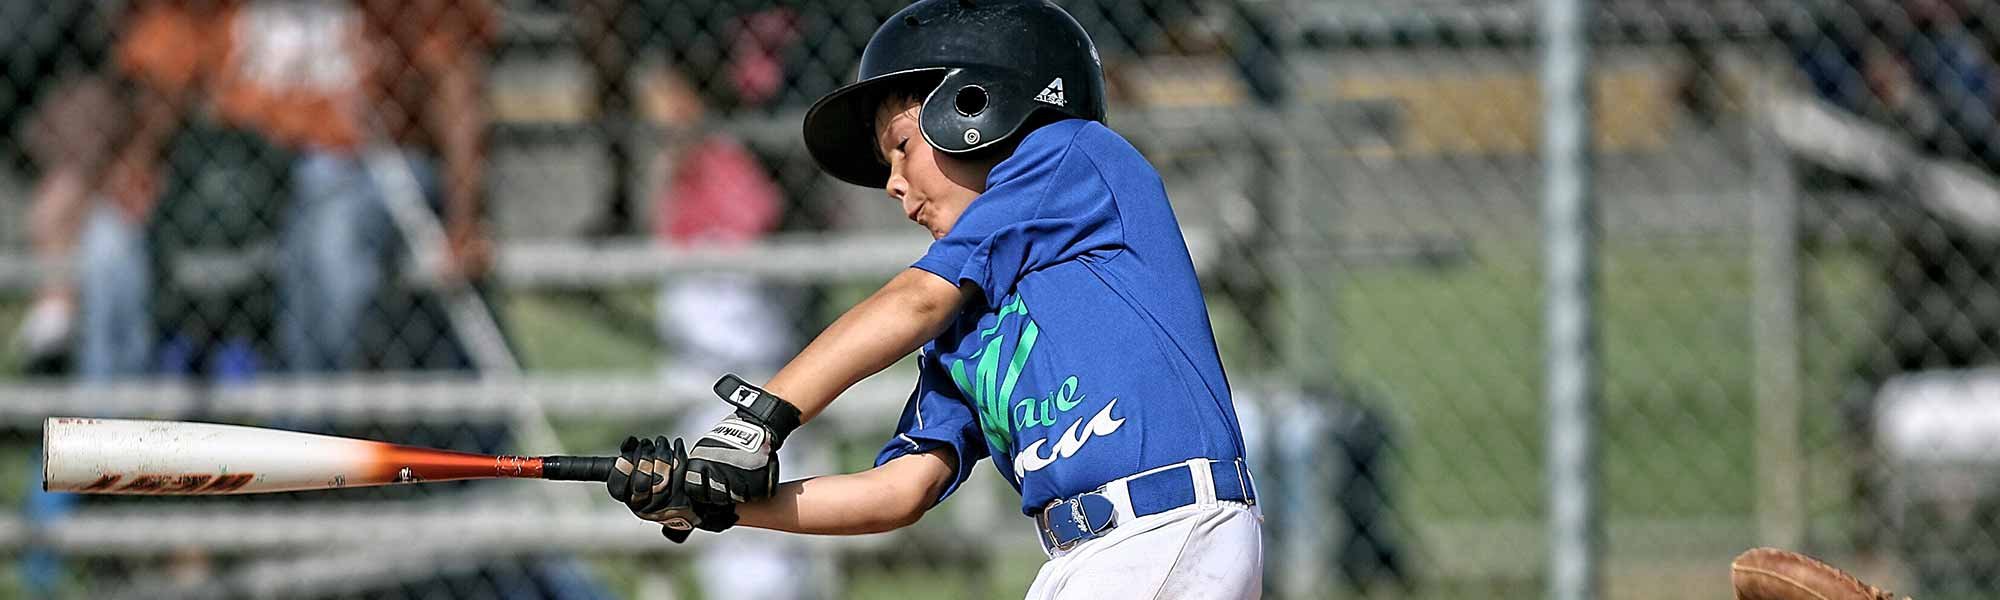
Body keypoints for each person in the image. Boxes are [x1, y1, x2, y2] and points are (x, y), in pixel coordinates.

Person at [603, 1, 1264, 597]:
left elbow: (915, 300)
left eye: (901, 148)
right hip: (1085, 561)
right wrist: (718, 501)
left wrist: (761, 421)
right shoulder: (968, 330)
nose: (893, 185)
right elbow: (901, 489)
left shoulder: (1071, 157)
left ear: (973, 109)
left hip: (1163, 530)